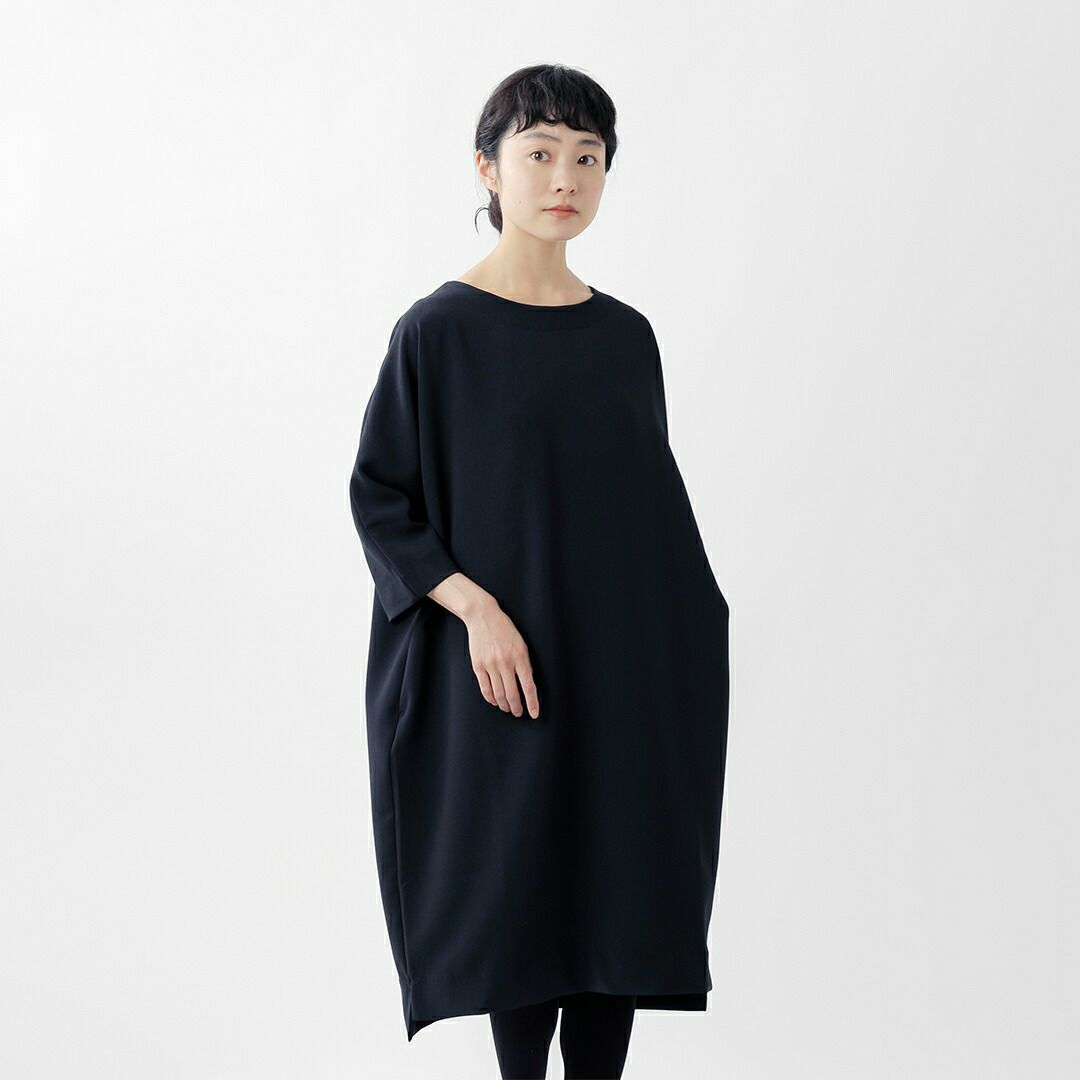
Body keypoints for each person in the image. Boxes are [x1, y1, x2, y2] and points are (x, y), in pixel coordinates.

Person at [347, 63, 730, 1079]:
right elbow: (382, 497)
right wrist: (475, 610)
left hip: (619, 676)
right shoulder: (437, 332)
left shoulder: (626, 338)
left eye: (588, 157)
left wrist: (694, 631)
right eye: (542, 152)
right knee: (518, 910)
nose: (567, 177)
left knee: (617, 903)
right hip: (502, 678)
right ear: (489, 168)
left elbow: (644, 512)